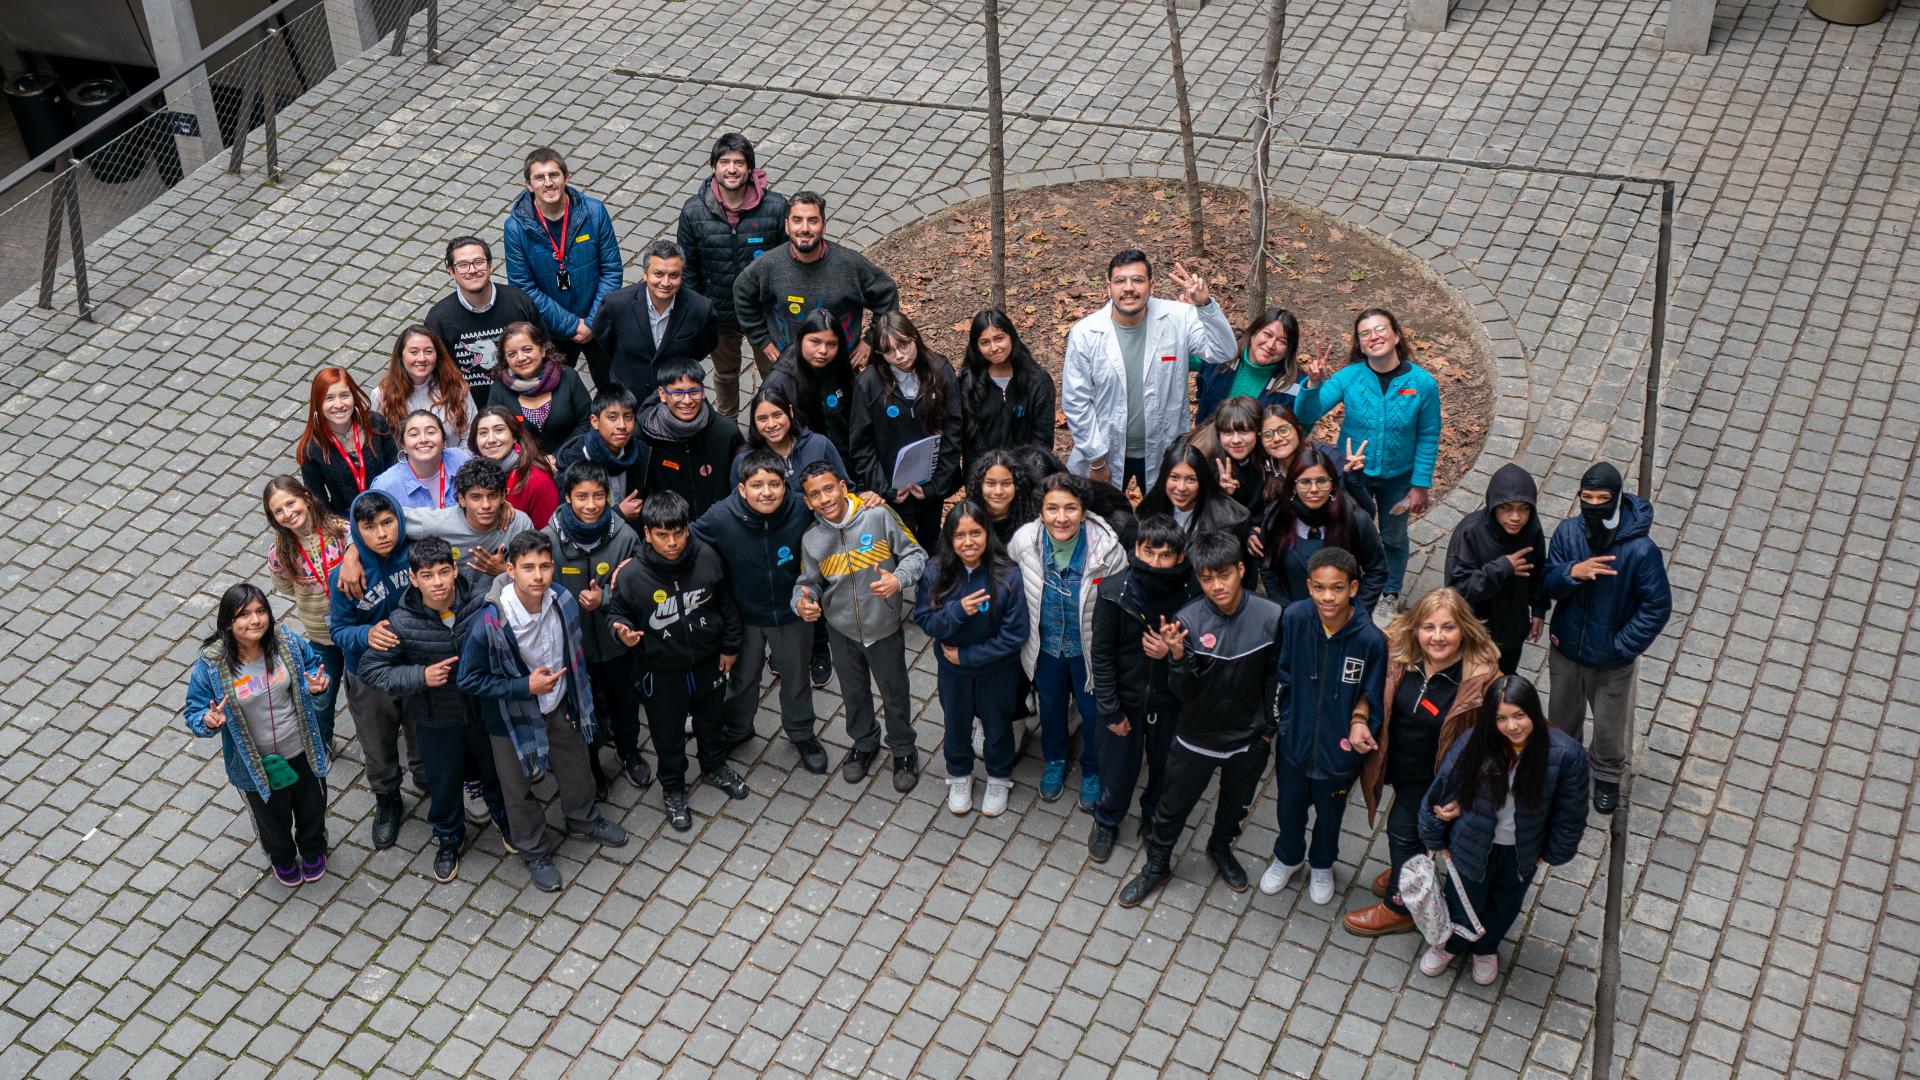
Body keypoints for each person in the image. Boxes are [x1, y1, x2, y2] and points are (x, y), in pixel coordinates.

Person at [1116, 530, 1282, 906]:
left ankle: (1220, 848)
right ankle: (1157, 864)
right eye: (1207, 578)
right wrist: (1176, 657)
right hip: (1195, 738)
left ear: (1241, 569)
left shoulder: (1272, 616)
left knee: (1236, 805)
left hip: (1249, 740)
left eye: (1224, 575)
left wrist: (1267, 731)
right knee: (1172, 807)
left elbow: (1276, 678)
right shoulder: (1187, 620)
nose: (1217, 586)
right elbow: (1182, 692)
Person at [457, 532, 629, 892]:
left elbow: (570, 651)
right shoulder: (490, 623)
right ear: (510, 569)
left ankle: (582, 818)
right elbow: (469, 679)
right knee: (517, 788)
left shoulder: (562, 600)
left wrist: (570, 699)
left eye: (545, 566)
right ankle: (534, 849)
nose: (538, 576)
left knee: (576, 763)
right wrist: (524, 687)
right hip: (510, 719)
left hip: (560, 702)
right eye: (528, 568)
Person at [1345, 587, 1501, 937]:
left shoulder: (1482, 680)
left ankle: (1400, 906)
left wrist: (1463, 791)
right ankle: (1411, 870)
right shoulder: (1398, 651)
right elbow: (1371, 690)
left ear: (1464, 629)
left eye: (1448, 627)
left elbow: (1491, 746)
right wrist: (1359, 718)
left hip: (1435, 778)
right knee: (1411, 831)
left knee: (1402, 831)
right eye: (1429, 627)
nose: (1437, 637)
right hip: (1397, 765)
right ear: (1415, 627)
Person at [1416, 675, 1591, 985]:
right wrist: (1437, 831)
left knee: (1505, 901)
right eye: (1502, 718)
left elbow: (1570, 813)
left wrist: (1551, 853)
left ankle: (1486, 947)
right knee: (1463, 897)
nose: (1512, 726)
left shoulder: (1566, 755)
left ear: (1533, 712)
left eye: (1519, 715)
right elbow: (1443, 788)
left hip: (1522, 849)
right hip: (1471, 841)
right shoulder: (1474, 742)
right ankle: (1450, 944)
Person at [356, 537, 509, 882]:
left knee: (495, 769)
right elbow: (372, 669)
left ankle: (505, 818)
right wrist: (420, 676)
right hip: (436, 719)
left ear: (455, 569)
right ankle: (448, 839)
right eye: (427, 575)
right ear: (413, 579)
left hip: (484, 712)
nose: (437, 582)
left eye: (443, 572)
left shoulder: (482, 596)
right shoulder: (401, 622)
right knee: (443, 784)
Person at [607, 491, 748, 830]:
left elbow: (726, 605)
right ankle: (673, 787)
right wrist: (622, 632)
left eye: (678, 533)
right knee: (667, 734)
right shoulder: (630, 576)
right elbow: (616, 614)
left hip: (709, 662)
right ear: (647, 534)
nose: (672, 542)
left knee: (712, 719)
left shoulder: (709, 558)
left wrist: (730, 647)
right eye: (662, 535)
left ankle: (714, 765)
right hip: (661, 673)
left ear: (687, 529)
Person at [1258, 546, 1389, 904]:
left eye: (1336, 588)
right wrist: (1284, 721)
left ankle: (1321, 863)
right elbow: (1281, 672)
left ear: (1353, 588)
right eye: (1319, 588)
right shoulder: (1295, 619)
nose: (1327, 597)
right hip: (1295, 742)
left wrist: (1362, 722)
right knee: (1289, 807)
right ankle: (1288, 856)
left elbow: (1373, 692)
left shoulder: (1371, 641)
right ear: (1309, 587)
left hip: (1338, 753)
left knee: (1330, 815)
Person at [1542, 462, 1671, 814]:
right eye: (1587, 497)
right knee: (1561, 719)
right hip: (1567, 651)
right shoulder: (1567, 534)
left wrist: (1621, 646)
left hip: (1611, 661)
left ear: (1615, 498)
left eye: (1602, 498)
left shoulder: (1641, 551)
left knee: (1611, 726)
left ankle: (1608, 777)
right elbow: (1548, 582)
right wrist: (1572, 573)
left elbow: (1656, 606)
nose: (1594, 504)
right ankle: (1565, 772)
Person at [183, 584, 333, 886]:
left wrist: (318, 684)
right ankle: (282, 857)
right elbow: (194, 713)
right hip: (255, 764)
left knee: (312, 807)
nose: (255, 621)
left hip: (302, 748)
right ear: (228, 623)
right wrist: (210, 720)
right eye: (244, 615)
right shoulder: (211, 666)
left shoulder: (286, 642)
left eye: (260, 611)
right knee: (271, 821)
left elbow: (314, 667)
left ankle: (314, 848)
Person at [1294, 308, 1443, 611]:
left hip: (1399, 480)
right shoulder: (1350, 377)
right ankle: (1347, 585)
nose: (1374, 336)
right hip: (1352, 475)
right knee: (1347, 531)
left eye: (1380, 329)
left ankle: (1389, 593)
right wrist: (1312, 385)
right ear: (1360, 344)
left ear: (1396, 335)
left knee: (1393, 537)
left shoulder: (1423, 383)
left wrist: (1420, 484)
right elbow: (1305, 414)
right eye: (1365, 333)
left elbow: (1428, 435)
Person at [792, 462, 929, 791]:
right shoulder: (811, 539)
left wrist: (898, 579)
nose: (824, 498)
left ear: (842, 485)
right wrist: (801, 601)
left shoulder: (878, 516)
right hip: (842, 631)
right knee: (853, 693)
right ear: (808, 502)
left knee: (894, 692)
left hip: (883, 626)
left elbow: (916, 553)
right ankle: (865, 743)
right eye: (815, 495)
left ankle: (903, 748)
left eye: (829, 488)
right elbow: (807, 583)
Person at [1060, 249, 1236, 493]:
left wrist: (1204, 305)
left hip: (1164, 448)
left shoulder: (1179, 317)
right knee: (1103, 519)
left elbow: (1224, 351)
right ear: (1108, 286)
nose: (1129, 288)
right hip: (1106, 451)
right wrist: (1097, 459)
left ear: (1151, 285)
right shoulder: (1086, 333)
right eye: (1120, 281)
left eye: (1138, 280)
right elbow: (1076, 401)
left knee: (1163, 521)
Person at [693, 449, 822, 768]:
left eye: (775, 484)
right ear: (741, 489)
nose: (767, 492)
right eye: (757, 485)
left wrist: (869, 500)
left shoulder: (801, 508)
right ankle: (737, 729)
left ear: (785, 485)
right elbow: (688, 539)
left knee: (796, 676)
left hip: (792, 613)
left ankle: (801, 731)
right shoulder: (721, 516)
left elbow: (837, 511)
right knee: (742, 677)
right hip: (744, 615)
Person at [1009, 473, 1127, 808]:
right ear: (1041, 511)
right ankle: (1056, 759)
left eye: (1071, 508)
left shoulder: (1108, 552)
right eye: (1053, 509)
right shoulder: (1024, 541)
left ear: (1084, 510)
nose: (1062, 518)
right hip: (1045, 649)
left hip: (1090, 653)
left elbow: (1120, 606)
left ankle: (1092, 768)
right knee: (1051, 708)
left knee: (1092, 714)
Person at [1086, 514, 1196, 862]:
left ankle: (1153, 819)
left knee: (1165, 770)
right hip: (1126, 702)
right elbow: (1100, 654)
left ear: (1180, 557)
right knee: (1116, 769)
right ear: (1136, 549)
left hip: (1171, 705)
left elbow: (1202, 657)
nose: (1157, 563)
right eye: (1150, 553)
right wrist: (1111, 709)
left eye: (1166, 556)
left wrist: (1171, 653)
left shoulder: (1193, 595)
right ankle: (1107, 819)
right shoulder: (1114, 591)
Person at [541, 460, 649, 801]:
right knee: (583, 710)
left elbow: (638, 589)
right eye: (582, 496)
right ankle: (591, 765)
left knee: (624, 702)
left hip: (616, 644)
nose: (591, 505)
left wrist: (606, 599)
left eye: (599, 496)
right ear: (568, 497)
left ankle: (629, 751)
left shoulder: (626, 536)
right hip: (571, 651)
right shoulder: (549, 541)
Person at [913, 500, 1028, 817]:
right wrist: (958, 611)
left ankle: (998, 777)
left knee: (997, 724)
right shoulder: (935, 572)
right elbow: (926, 620)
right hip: (954, 673)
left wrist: (967, 655)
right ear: (949, 538)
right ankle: (960, 774)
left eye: (975, 533)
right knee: (956, 724)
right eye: (960, 535)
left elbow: (1014, 636)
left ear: (987, 533)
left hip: (997, 672)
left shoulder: (1008, 576)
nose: (968, 542)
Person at [326, 491, 426, 848]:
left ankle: (427, 777)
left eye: (388, 522)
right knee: (377, 740)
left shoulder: (416, 555)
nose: (382, 533)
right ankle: (387, 798)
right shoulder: (345, 575)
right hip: (368, 676)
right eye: (370, 527)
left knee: (422, 727)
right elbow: (337, 631)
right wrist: (367, 634)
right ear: (357, 530)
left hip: (414, 666)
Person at [677, 132, 790, 418]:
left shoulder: (776, 208)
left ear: (750, 168)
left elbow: (787, 262)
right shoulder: (693, 211)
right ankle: (726, 423)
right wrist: (700, 311)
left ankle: (769, 421)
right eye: (724, 162)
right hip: (720, 314)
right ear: (714, 167)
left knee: (774, 374)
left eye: (738, 163)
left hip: (764, 314)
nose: (731, 169)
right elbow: (689, 270)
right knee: (726, 375)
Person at [732, 192, 898, 370]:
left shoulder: (850, 264)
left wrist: (870, 341)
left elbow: (887, 295)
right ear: (787, 226)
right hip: (787, 366)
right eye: (797, 220)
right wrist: (762, 340)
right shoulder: (767, 266)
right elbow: (742, 292)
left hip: (840, 367)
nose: (804, 228)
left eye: (812, 220)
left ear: (823, 226)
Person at [504, 147, 623, 386]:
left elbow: (611, 269)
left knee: (614, 388)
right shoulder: (515, 228)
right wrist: (570, 325)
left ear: (566, 178)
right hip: (552, 330)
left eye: (554, 175)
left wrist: (590, 322)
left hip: (598, 321)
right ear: (528, 185)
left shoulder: (594, 212)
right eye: (540, 177)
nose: (548, 183)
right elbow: (523, 287)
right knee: (556, 391)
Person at [849, 310, 964, 545]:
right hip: (894, 490)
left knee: (931, 539)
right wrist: (885, 489)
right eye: (889, 351)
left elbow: (954, 430)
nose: (899, 356)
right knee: (903, 546)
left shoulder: (939, 370)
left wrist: (936, 485)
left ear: (915, 338)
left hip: (930, 485)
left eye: (904, 345)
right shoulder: (868, 384)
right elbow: (861, 444)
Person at [263, 476, 347, 744]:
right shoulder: (279, 553)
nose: (287, 513)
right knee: (322, 696)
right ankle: (323, 740)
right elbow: (285, 587)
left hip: (355, 625)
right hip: (321, 635)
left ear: (306, 498)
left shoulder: (341, 531)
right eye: (278, 511)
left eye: (291, 503)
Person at [1445, 463, 1549, 675]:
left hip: (1512, 632)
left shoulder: (1531, 530)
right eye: (1506, 508)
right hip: (1474, 636)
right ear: (1493, 506)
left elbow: (1538, 570)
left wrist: (1539, 609)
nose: (1515, 517)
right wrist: (1501, 569)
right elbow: (1457, 591)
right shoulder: (1469, 532)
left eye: (1524, 508)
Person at [1260, 447, 1387, 613]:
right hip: (1294, 618)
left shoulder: (1355, 519)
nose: (1314, 489)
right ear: (1293, 486)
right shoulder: (1277, 517)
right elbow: (1267, 567)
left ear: (1333, 483)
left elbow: (1377, 569)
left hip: (1343, 620)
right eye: (1305, 482)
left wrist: (1356, 612)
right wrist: (1285, 609)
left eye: (1321, 481)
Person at [595, 239, 720, 397]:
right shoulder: (616, 305)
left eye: (674, 275)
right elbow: (604, 341)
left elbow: (703, 347)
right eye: (659, 274)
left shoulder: (701, 309)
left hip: (675, 397)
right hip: (629, 395)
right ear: (645, 274)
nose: (666, 283)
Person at [425, 235, 543, 397]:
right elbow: (436, 373)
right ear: (451, 272)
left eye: (478, 262)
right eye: (463, 265)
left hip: (524, 402)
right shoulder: (438, 319)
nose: (472, 270)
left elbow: (544, 347)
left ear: (490, 266)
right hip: (470, 411)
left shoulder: (519, 301)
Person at [639, 357, 745, 519]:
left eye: (694, 392)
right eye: (678, 393)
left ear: (702, 391)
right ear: (662, 394)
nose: (687, 401)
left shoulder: (726, 432)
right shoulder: (645, 437)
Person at [958, 308, 1055, 470]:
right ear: (976, 346)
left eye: (999, 338)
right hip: (983, 477)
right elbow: (971, 441)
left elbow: (1042, 440)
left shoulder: (1036, 380)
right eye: (985, 342)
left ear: (1011, 337)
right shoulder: (969, 382)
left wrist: (1020, 474)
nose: (994, 347)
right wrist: (990, 474)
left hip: (1027, 476)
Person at [399, 457, 533, 574]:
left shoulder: (519, 524)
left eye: (492, 496)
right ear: (462, 499)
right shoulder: (437, 522)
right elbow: (389, 515)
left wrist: (504, 571)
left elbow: (534, 573)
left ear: (503, 496)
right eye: (476, 497)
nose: (486, 505)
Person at [761, 308, 859, 462]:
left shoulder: (840, 367)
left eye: (831, 344)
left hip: (845, 458)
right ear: (801, 339)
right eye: (815, 342)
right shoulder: (778, 384)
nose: (823, 351)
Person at [296, 367, 397, 516]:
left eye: (344, 395)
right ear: (318, 403)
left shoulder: (375, 424)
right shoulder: (312, 450)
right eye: (329, 398)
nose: (339, 404)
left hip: (390, 509)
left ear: (353, 397)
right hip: (348, 522)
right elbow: (319, 503)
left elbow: (396, 470)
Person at [488, 321, 593, 455]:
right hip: (524, 468)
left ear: (542, 350)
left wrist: (558, 458)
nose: (520, 358)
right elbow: (497, 435)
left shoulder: (568, 377)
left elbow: (586, 422)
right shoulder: (499, 389)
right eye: (512, 354)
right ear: (505, 358)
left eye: (527, 349)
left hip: (572, 461)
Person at [555, 382, 650, 528]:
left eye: (628, 417)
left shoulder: (640, 452)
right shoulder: (575, 462)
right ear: (595, 422)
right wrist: (618, 513)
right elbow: (568, 519)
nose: (622, 425)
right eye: (612, 417)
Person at [1194, 307, 1304, 421]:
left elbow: (1304, 422)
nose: (1271, 345)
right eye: (1267, 334)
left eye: (1282, 341)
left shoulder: (1295, 384)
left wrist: (1313, 386)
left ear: (1288, 350)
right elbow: (1183, 358)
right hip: (1206, 435)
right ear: (1254, 333)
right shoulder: (1224, 350)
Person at [731, 386, 849, 492]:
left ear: (790, 411)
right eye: (762, 419)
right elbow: (738, 506)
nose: (771, 424)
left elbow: (846, 489)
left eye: (777, 415)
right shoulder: (744, 460)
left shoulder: (819, 444)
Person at [1136, 440, 1250, 546]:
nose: (1181, 487)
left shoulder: (1227, 522)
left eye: (1191, 479)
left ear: (1202, 481)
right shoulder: (1149, 512)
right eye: (1174, 478)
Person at [371, 325, 471, 442]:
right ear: (401, 356)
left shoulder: (456, 387)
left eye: (428, 351)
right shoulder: (381, 396)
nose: (422, 358)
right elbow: (379, 444)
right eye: (414, 352)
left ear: (437, 355)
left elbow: (471, 436)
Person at [469, 405, 559, 529]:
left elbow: (547, 536)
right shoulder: (473, 474)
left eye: (499, 430)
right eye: (483, 433)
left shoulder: (537, 480)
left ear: (514, 437)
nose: (491, 440)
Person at [369, 410, 472, 511]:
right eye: (414, 434)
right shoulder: (385, 486)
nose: (423, 440)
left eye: (430, 432)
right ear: (403, 445)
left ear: (444, 440)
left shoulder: (459, 459)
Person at [1187, 398, 1264, 514]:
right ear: (1219, 433)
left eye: (1244, 431)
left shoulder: (1266, 454)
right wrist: (1218, 493)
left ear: (1258, 432)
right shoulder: (1203, 461)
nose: (1236, 440)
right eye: (1228, 432)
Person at [967, 448, 1042, 548]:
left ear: (1016, 486)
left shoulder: (1031, 523)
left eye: (1006, 484)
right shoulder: (966, 517)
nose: (998, 491)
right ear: (979, 485)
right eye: (990, 483)